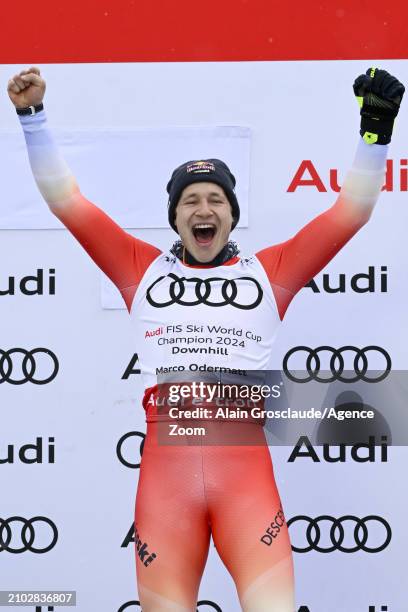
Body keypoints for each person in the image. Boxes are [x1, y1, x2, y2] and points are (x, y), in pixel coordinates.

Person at [7, 66, 404, 612]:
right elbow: (66, 201)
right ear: (175, 218)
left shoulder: (271, 273)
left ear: (232, 217)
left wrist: (374, 129)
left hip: (247, 484)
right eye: (190, 199)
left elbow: (351, 211)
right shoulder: (138, 269)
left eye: (216, 199)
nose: (204, 208)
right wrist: (33, 118)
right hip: (166, 489)